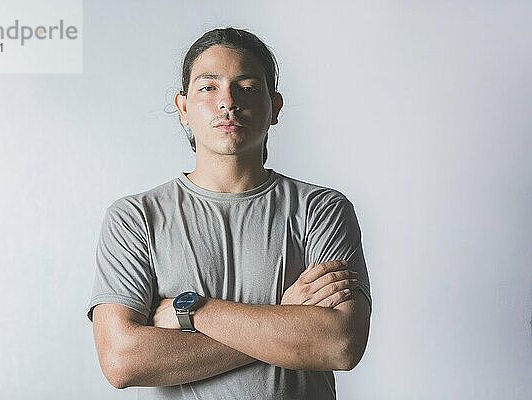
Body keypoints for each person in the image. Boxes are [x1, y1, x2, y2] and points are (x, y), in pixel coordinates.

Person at [87, 27, 372, 399]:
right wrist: (282, 319)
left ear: (275, 108)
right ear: (183, 108)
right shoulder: (135, 217)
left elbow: (339, 344)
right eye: (208, 87)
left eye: (248, 87)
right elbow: (123, 360)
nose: (228, 102)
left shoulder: (321, 209)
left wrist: (193, 312)